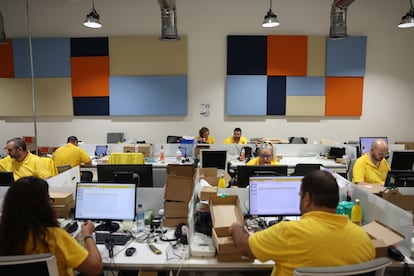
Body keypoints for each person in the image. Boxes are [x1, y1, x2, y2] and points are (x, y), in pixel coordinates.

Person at [229, 170, 375, 276]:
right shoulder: (364, 240)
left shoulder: (288, 232)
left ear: (307, 199)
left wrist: (237, 226)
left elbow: (245, 247)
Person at [0, 176, 103, 276]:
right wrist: (88, 235)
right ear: (42, 206)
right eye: (48, 199)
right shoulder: (53, 237)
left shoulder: (5, 235)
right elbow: (95, 268)